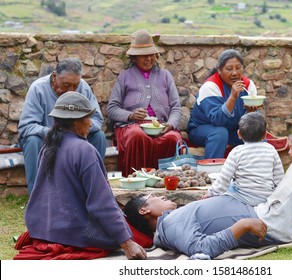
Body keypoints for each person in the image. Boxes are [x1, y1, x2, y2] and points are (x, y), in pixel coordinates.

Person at [124, 156, 292, 259]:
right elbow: (200, 249)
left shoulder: (175, 219)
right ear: (146, 210)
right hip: (265, 222)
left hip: (263, 214)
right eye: (154, 198)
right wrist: (242, 225)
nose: (161, 198)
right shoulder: (170, 224)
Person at [15, 92, 146, 260]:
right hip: (71, 232)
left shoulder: (47, 147)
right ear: (77, 122)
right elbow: (101, 203)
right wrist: (126, 242)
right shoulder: (84, 150)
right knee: (134, 233)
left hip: (43, 228)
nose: (90, 124)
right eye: (88, 118)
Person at [18, 58, 106, 195]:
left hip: (76, 139)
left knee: (99, 137)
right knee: (32, 141)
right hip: (47, 139)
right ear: (54, 76)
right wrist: (56, 133)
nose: (70, 90)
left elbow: (97, 120)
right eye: (66, 85)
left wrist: (77, 131)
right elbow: (26, 127)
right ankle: (38, 195)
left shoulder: (83, 87)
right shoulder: (38, 88)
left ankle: (93, 190)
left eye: (75, 86)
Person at [107, 29, 182, 177]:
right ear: (134, 57)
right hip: (131, 126)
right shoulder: (125, 77)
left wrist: (170, 124)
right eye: (143, 55)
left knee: (174, 138)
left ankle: (165, 181)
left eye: (151, 54)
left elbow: (176, 107)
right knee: (137, 136)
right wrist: (131, 115)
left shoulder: (165, 76)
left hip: (160, 126)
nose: (148, 59)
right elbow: (112, 108)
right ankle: (136, 181)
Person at [186, 49, 260, 159]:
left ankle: (256, 169)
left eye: (238, 68)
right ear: (219, 70)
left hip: (232, 130)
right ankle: (212, 171)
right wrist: (233, 96)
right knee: (219, 133)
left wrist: (251, 112)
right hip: (203, 129)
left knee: (257, 131)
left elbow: (251, 119)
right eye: (229, 69)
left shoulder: (248, 85)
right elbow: (217, 120)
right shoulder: (211, 86)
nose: (235, 73)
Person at [202, 112, 284, 206]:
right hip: (266, 198)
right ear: (265, 135)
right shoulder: (271, 150)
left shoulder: (236, 152)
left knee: (228, 190)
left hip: (243, 198)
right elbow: (279, 178)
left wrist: (211, 193)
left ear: (239, 134)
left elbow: (224, 179)